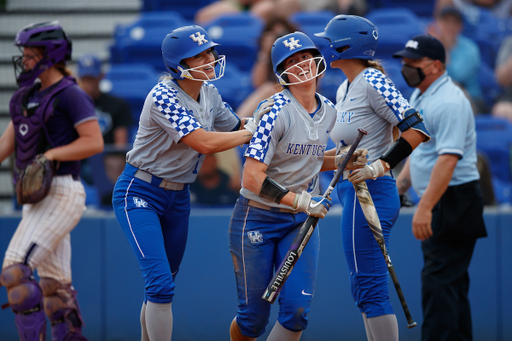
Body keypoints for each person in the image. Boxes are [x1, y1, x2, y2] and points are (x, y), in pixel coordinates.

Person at [111, 25, 259, 341]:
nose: (209, 58)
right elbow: (204, 142)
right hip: (141, 191)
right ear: (179, 64)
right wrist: (250, 133)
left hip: (178, 196)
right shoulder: (163, 95)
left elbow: (234, 126)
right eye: (198, 55)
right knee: (161, 284)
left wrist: (265, 120)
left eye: (209, 51)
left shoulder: (209, 92)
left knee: (162, 286)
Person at [228, 31, 368, 341]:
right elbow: (251, 177)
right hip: (258, 216)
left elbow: (313, 158)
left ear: (317, 60)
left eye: (305, 57)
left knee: (297, 312)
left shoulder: (330, 111)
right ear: (282, 73)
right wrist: (302, 202)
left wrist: (344, 157)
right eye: (292, 62)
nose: (301, 65)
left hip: (298, 221)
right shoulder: (274, 111)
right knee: (252, 320)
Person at [314, 15, 431, 341]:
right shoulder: (343, 88)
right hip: (351, 192)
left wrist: (381, 164)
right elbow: (342, 152)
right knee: (362, 286)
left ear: (346, 45)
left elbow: (417, 128)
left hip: (373, 191)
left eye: (331, 41)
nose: (326, 47)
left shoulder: (373, 80)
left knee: (371, 287)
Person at [0, 21, 103, 340]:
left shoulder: (71, 94)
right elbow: (7, 144)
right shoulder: (23, 97)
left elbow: (94, 141)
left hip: (62, 192)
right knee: (53, 289)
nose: (25, 61)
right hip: (36, 201)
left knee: (16, 272)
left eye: (30, 55)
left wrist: (52, 154)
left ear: (50, 55)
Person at [393, 34, 487, 341]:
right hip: (443, 200)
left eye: (413, 62)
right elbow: (420, 151)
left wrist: (425, 206)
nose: (406, 67)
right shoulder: (423, 95)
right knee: (451, 285)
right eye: (404, 61)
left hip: (452, 201)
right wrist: (400, 188)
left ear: (435, 65)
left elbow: (448, 160)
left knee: (438, 284)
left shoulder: (449, 101)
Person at [77, 53, 134, 206]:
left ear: (101, 76)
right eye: (85, 79)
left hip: (105, 161)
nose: (89, 83)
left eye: (92, 78)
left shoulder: (116, 105)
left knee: (115, 164)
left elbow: (119, 146)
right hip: (78, 160)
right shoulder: (71, 107)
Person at [236, 15, 297, 118]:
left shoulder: (301, 53)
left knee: (269, 89)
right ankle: (238, 123)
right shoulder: (265, 56)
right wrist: (265, 52)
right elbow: (258, 84)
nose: (279, 39)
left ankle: (237, 123)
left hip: (297, 96)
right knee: (267, 89)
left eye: (282, 35)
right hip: (273, 102)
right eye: (275, 36)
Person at [427, 6, 485, 113]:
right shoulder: (430, 47)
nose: (450, 26)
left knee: (454, 90)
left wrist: (443, 51)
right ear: (438, 24)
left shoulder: (470, 49)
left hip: (471, 99)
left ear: (460, 26)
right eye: (446, 22)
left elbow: (458, 77)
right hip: (438, 98)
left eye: (454, 23)